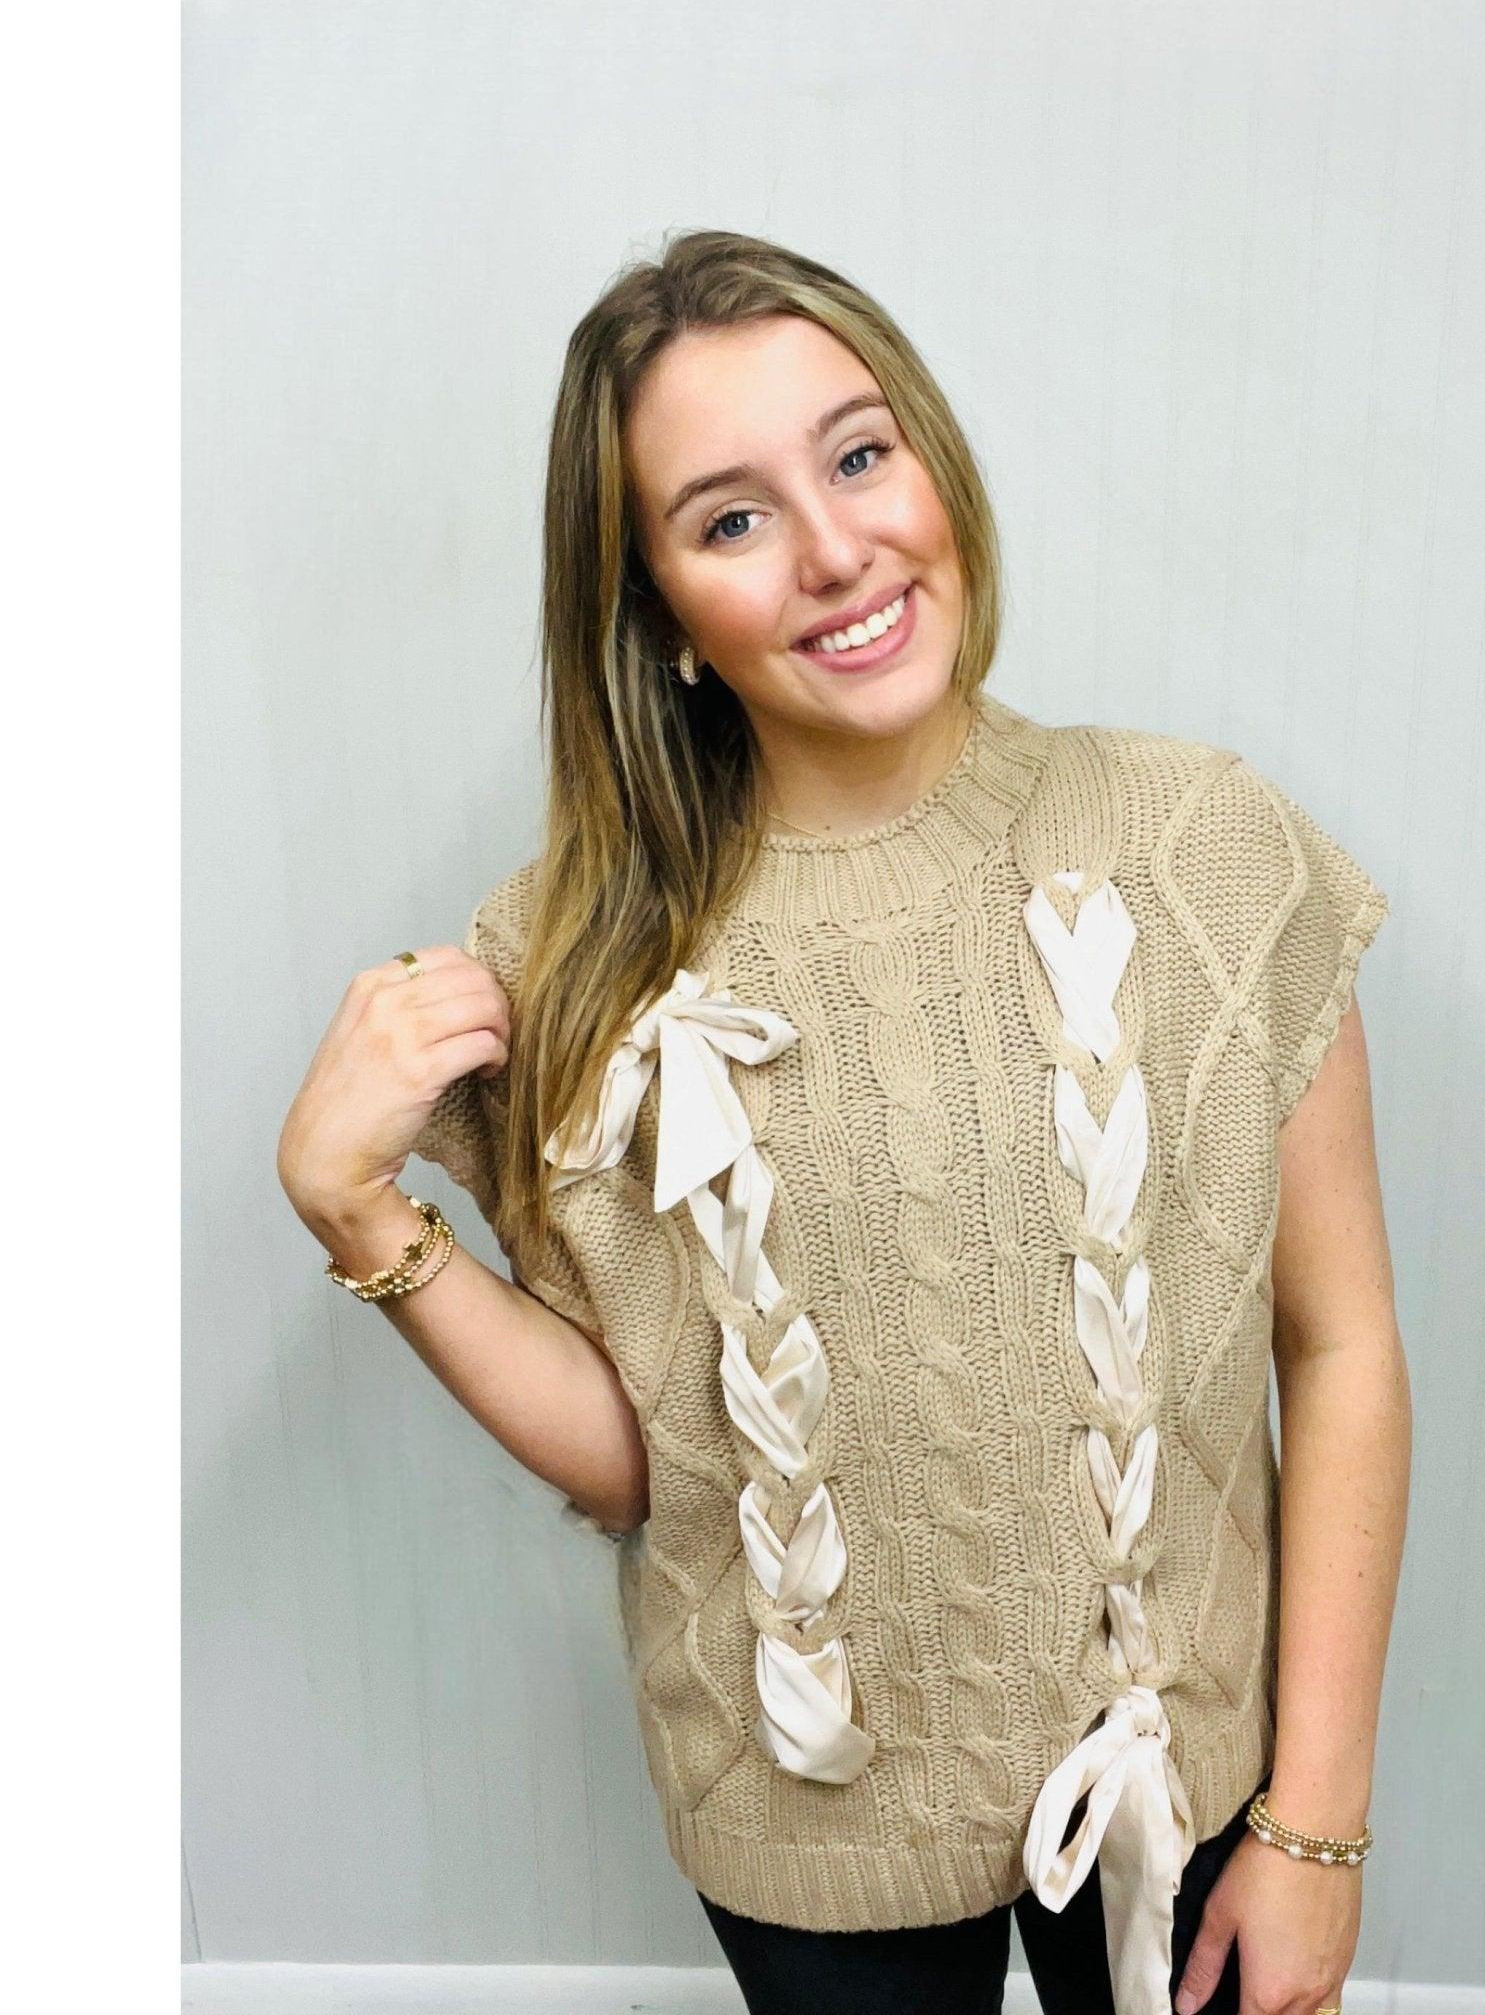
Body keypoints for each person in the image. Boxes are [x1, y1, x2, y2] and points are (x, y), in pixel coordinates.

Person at [277, 229, 1411, 2015]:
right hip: (797, 1817)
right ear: (657, 607)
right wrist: (359, 1213)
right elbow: (645, 1458)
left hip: (1193, 1784)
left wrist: (1319, 1825)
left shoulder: (1205, 850)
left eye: (860, 455)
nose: (834, 551)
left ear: (934, 464)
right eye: (731, 518)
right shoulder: (568, 959)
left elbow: (1339, 1346)